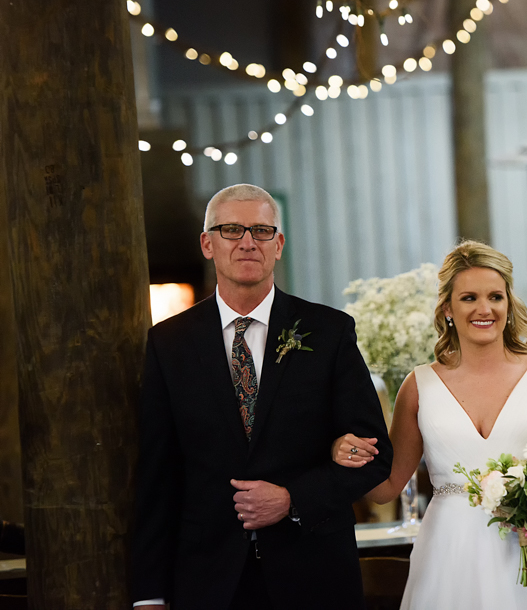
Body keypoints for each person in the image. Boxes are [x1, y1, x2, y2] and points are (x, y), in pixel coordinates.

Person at [131, 184, 392, 610]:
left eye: (262, 231)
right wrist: (149, 595)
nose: (248, 242)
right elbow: (157, 476)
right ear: (207, 244)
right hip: (208, 580)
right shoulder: (168, 343)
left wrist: (292, 499)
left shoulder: (328, 332)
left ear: (279, 244)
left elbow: (375, 457)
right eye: (231, 229)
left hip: (313, 574)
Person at [333, 240, 527, 609]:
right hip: (449, 555)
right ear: (448, 308)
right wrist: (345, 452)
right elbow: (387, 486)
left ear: (509, 303)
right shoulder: (418, 385)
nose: (484, 309)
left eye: (496, 297)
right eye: (469, 298)